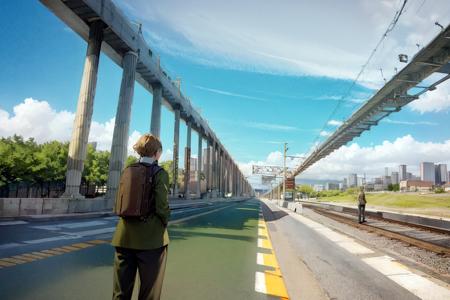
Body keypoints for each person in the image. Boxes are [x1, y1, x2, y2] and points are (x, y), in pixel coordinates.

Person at [112, 134, 170, 300]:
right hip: (151, 241)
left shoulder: (128, 170)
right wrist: (165, 220)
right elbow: (162, 207)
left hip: (123, 238)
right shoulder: (160, 173)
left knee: (120, 293)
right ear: (157, 153)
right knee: (149, 293)